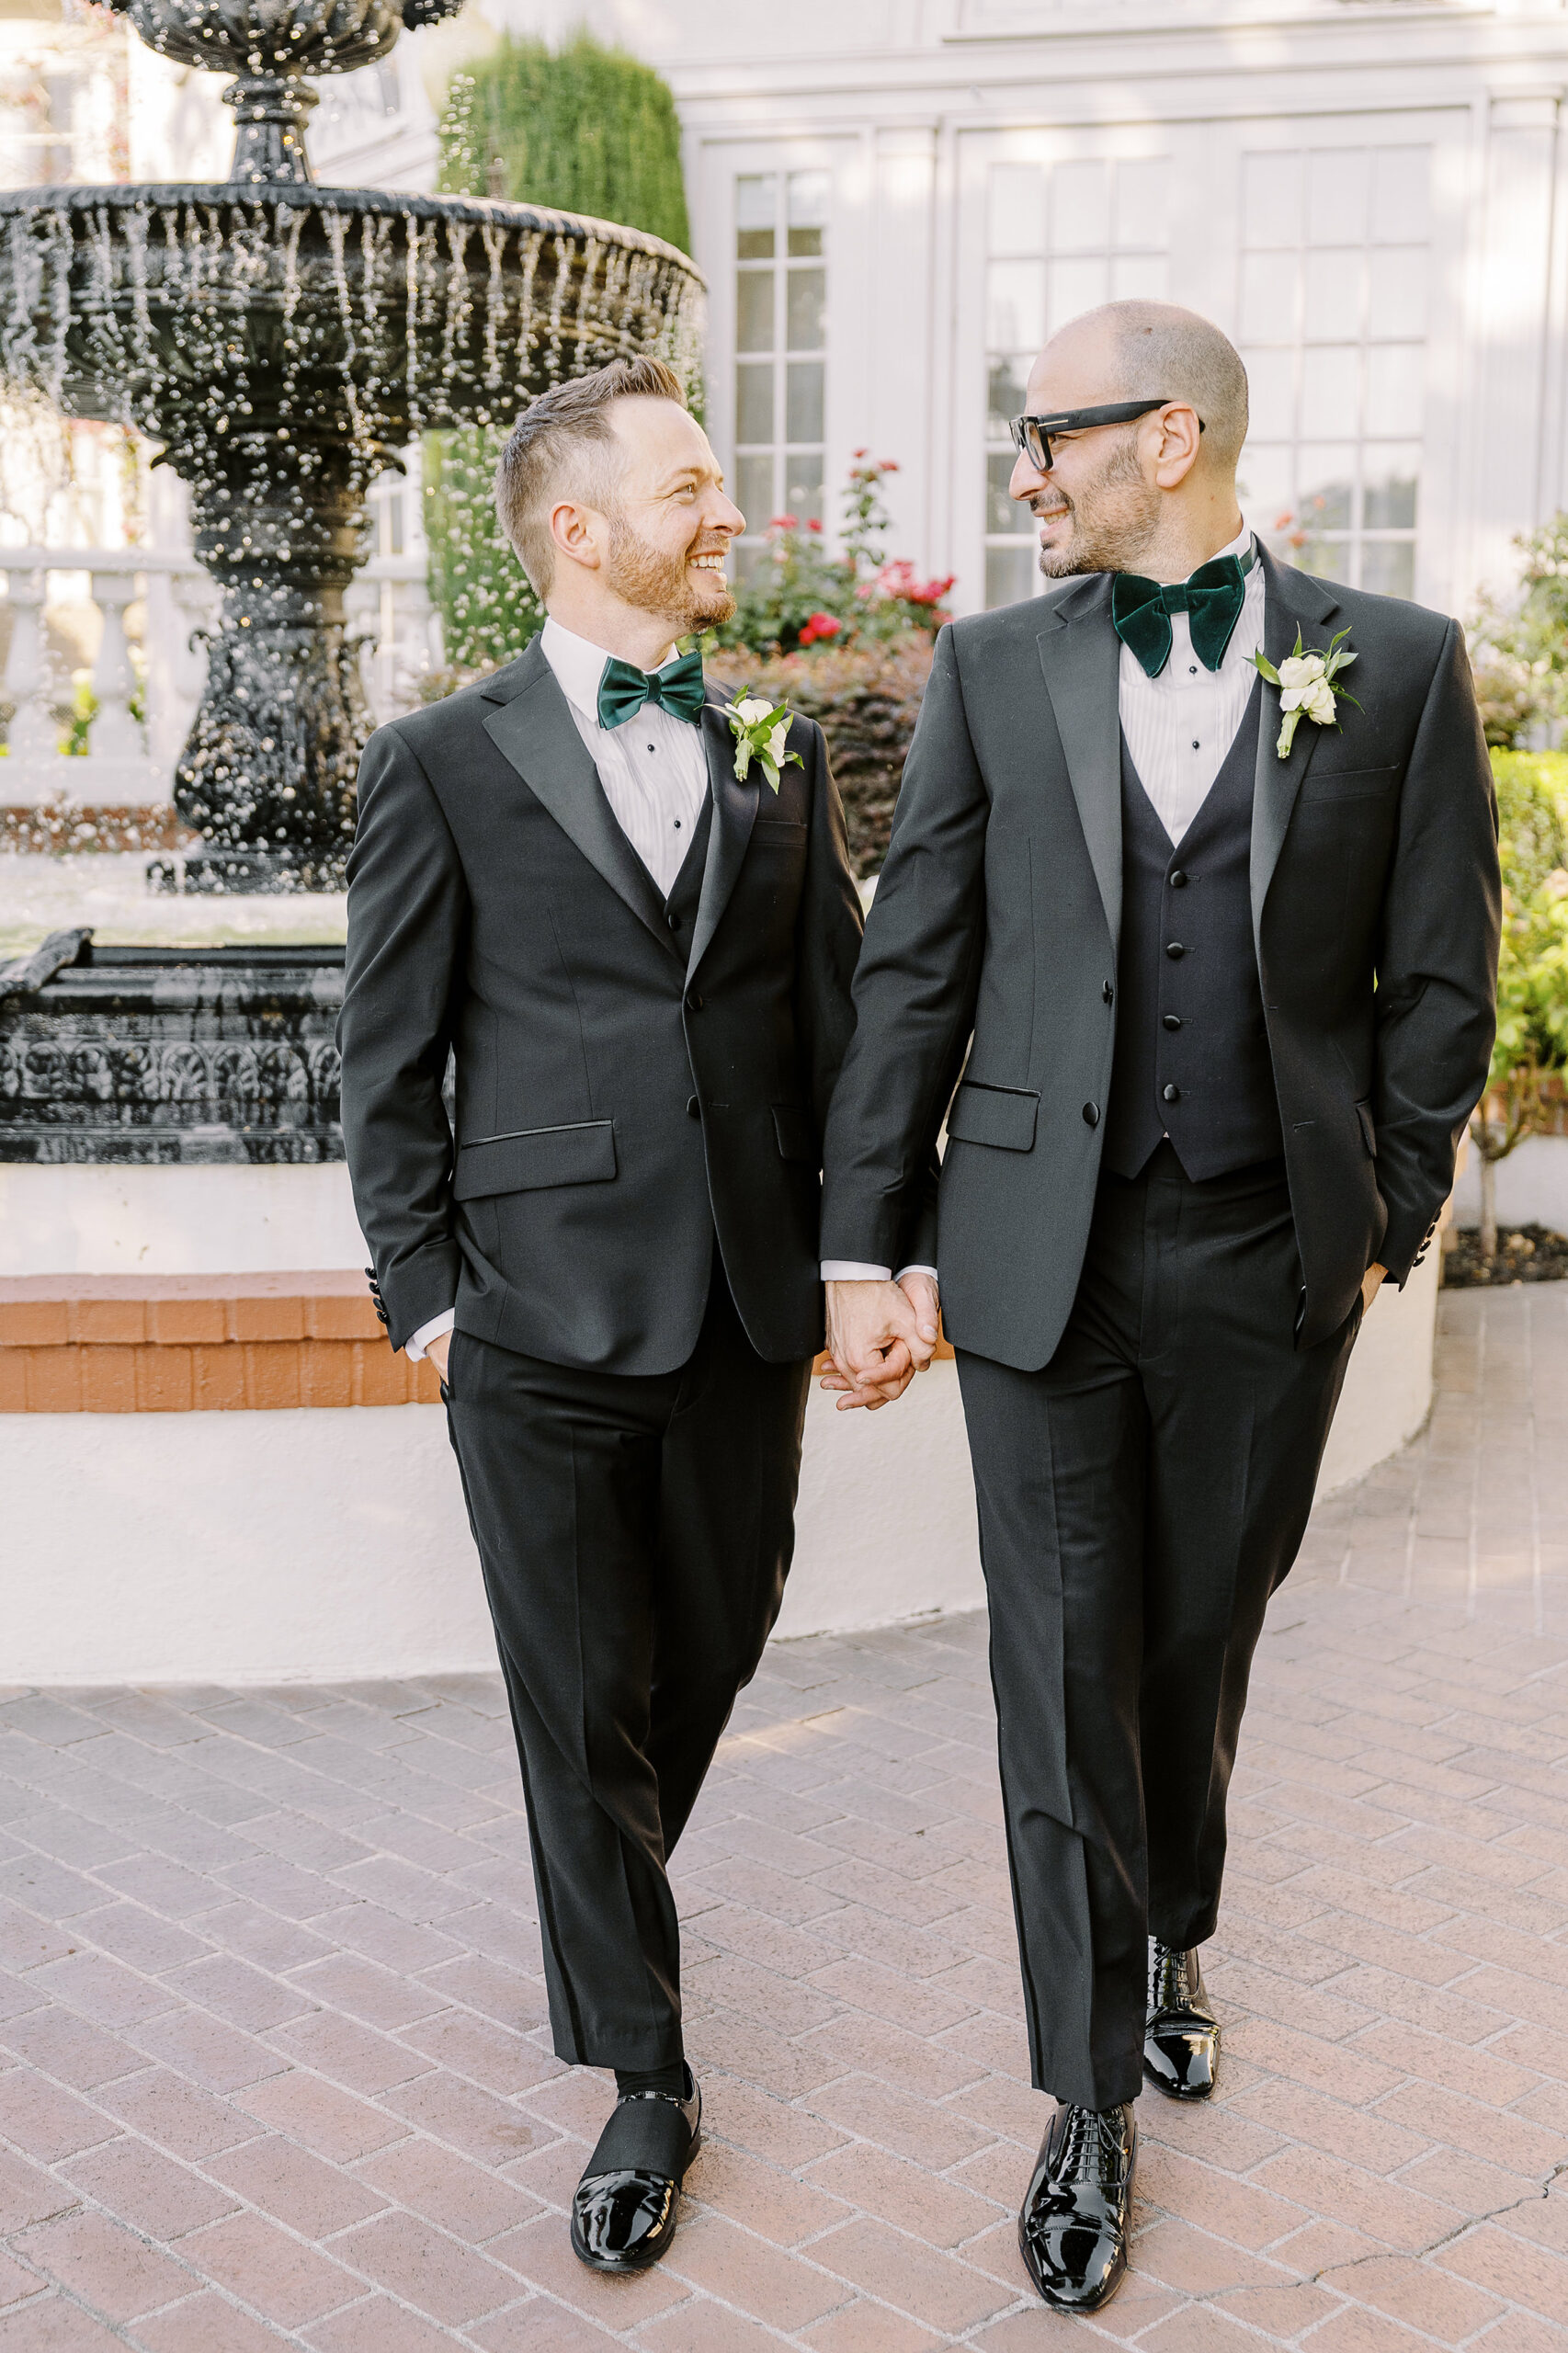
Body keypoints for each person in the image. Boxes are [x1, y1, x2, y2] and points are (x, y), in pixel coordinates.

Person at [818, 301, 1500, 2313]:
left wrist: (1388, 1196)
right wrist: (869, 1244)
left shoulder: (1392, 667)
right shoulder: (991, 665)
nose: (1026, 474)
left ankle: (1169, 1919)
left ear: (1169, 435)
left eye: (1053, 437)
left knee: (1198, 1629)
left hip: (1268, 1250)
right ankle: (1083, 2089)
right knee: (1056, 1656)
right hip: (1036, 1253)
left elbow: (1437, 978)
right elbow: (913, 970)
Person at [337, 354, 867, 2274]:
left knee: (706, 1655)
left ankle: (604, 1894)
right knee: (576, 1707)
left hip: (742, 1290)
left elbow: (848, 1029)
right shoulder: (443, 759)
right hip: (535, 1317)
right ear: (581, 528)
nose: (729, 512)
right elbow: (385, 1055)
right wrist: (428, 1300)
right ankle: (644, 2068)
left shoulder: (777, 751)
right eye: (695, 485)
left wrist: (875, 1250)